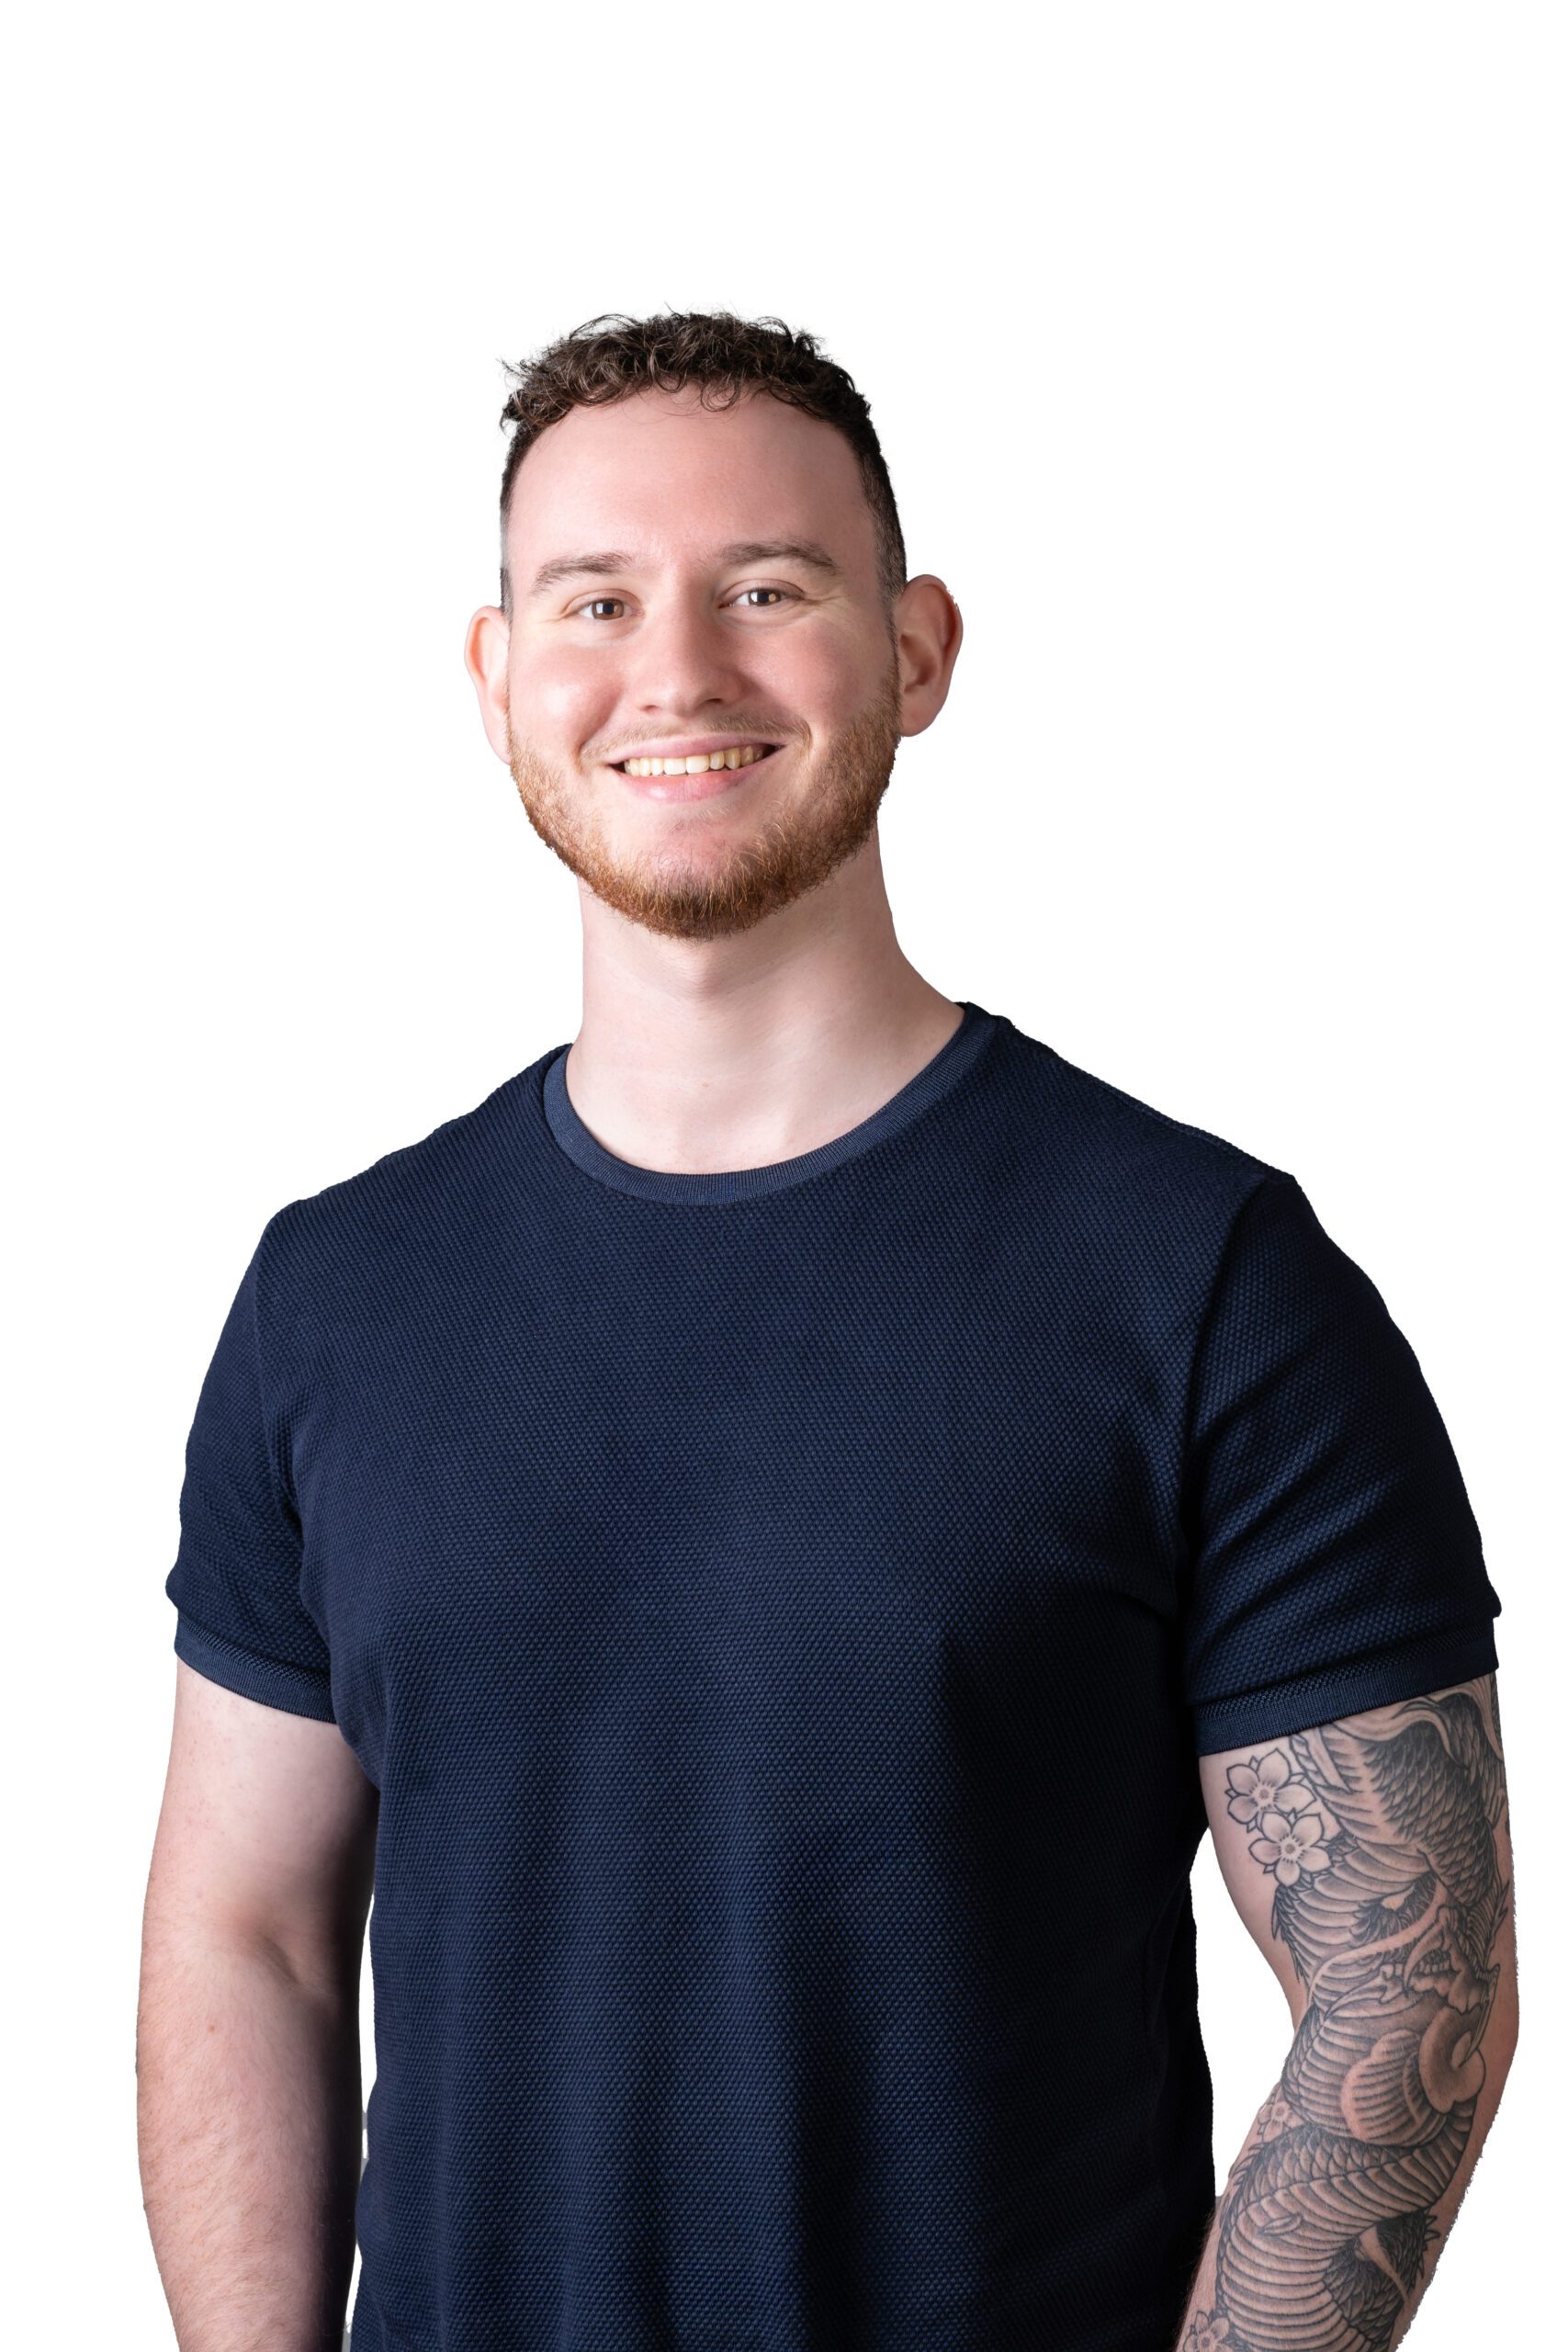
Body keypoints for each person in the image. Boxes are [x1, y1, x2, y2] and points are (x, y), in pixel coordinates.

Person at [138, 311, 1516, 2352]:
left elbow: (1409, 1973)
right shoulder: (336, 1292)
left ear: (914, 651)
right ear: (499, 677)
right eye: (595, 598)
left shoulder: (1203, 1281)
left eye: (764, 588)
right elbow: (241, 1929)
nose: (673, 671)